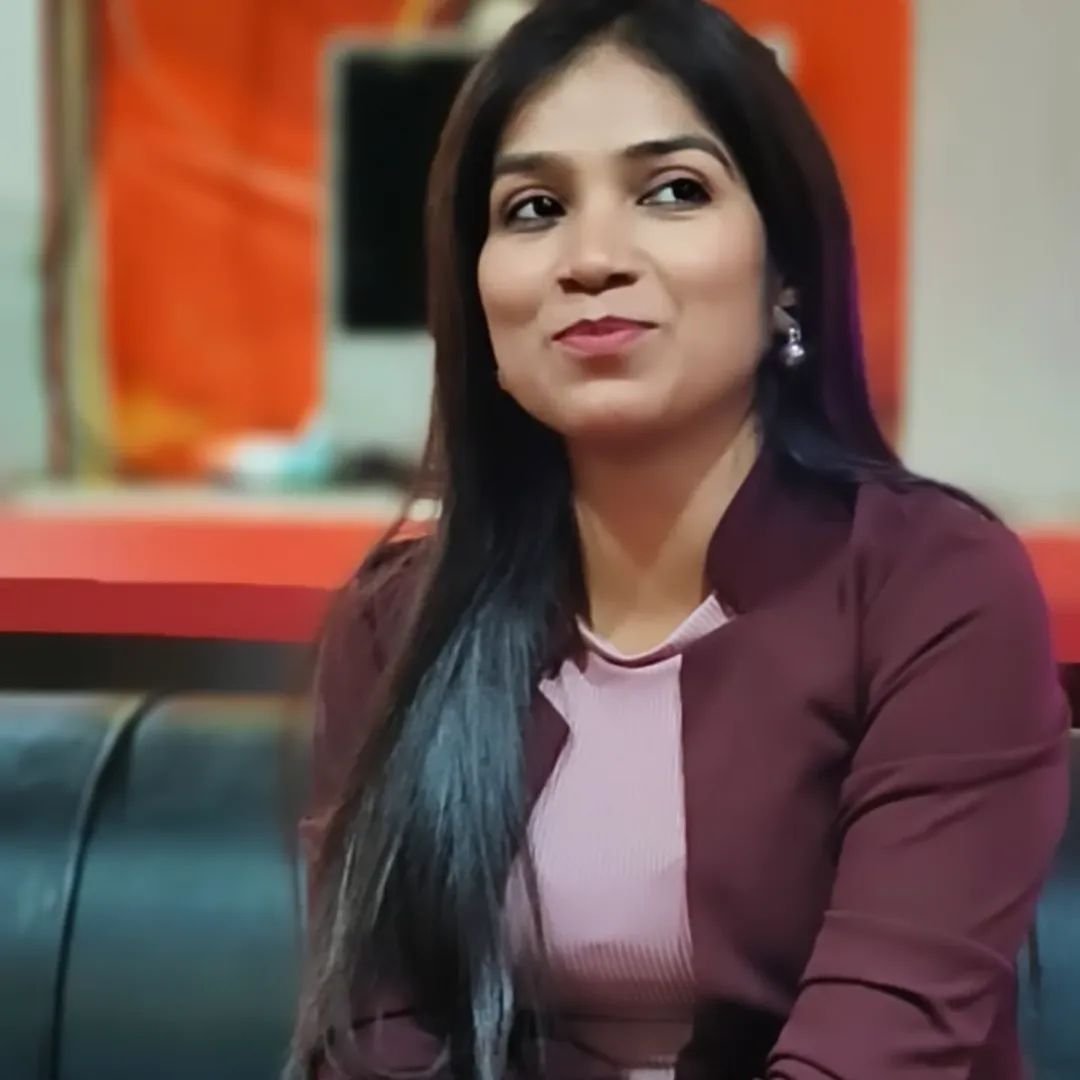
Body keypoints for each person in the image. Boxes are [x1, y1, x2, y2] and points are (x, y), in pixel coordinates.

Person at [290, 1, 1070, 1077]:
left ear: (786, 270)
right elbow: (371, 1038)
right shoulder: (398, 625)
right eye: (533, 208)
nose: (592, 258)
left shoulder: (935, 589)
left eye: (673, 191)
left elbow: (877, 1052)